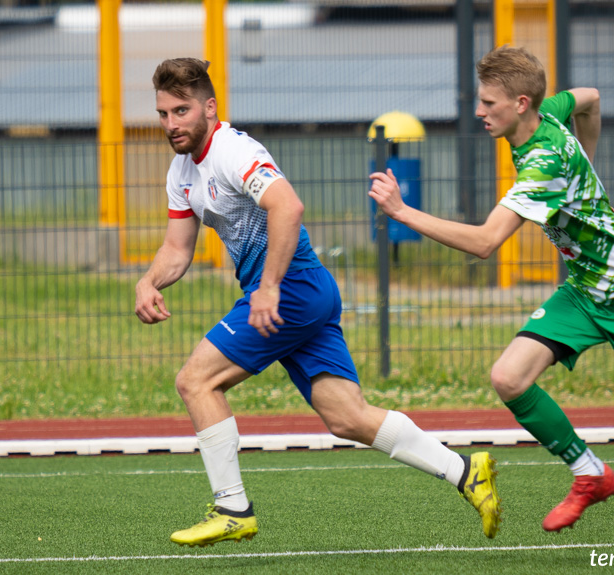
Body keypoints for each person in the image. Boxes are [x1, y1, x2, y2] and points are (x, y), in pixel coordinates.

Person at [369, 45, 614, 533]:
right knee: (508, 377)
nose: (479, 111)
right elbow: (589, 97)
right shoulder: (548, 113)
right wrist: (587, 155)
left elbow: (484, 242)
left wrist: (402, 212)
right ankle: (591, 475)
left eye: (489, 103)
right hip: (586, 290)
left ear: (522, 103)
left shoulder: (543, 163)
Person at [134, 57, 501, 547]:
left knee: (196, 380)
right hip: (304, 293)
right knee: (347, 416)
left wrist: (267, 288)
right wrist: (149, 281)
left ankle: (232, 508)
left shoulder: (232, 150)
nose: (171, 124)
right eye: (163, 114)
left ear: (209, 107)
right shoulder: (182, 171)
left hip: (291, 291)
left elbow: (288, 205)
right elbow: (178, 249)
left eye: (181, 111)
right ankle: (465, 472)